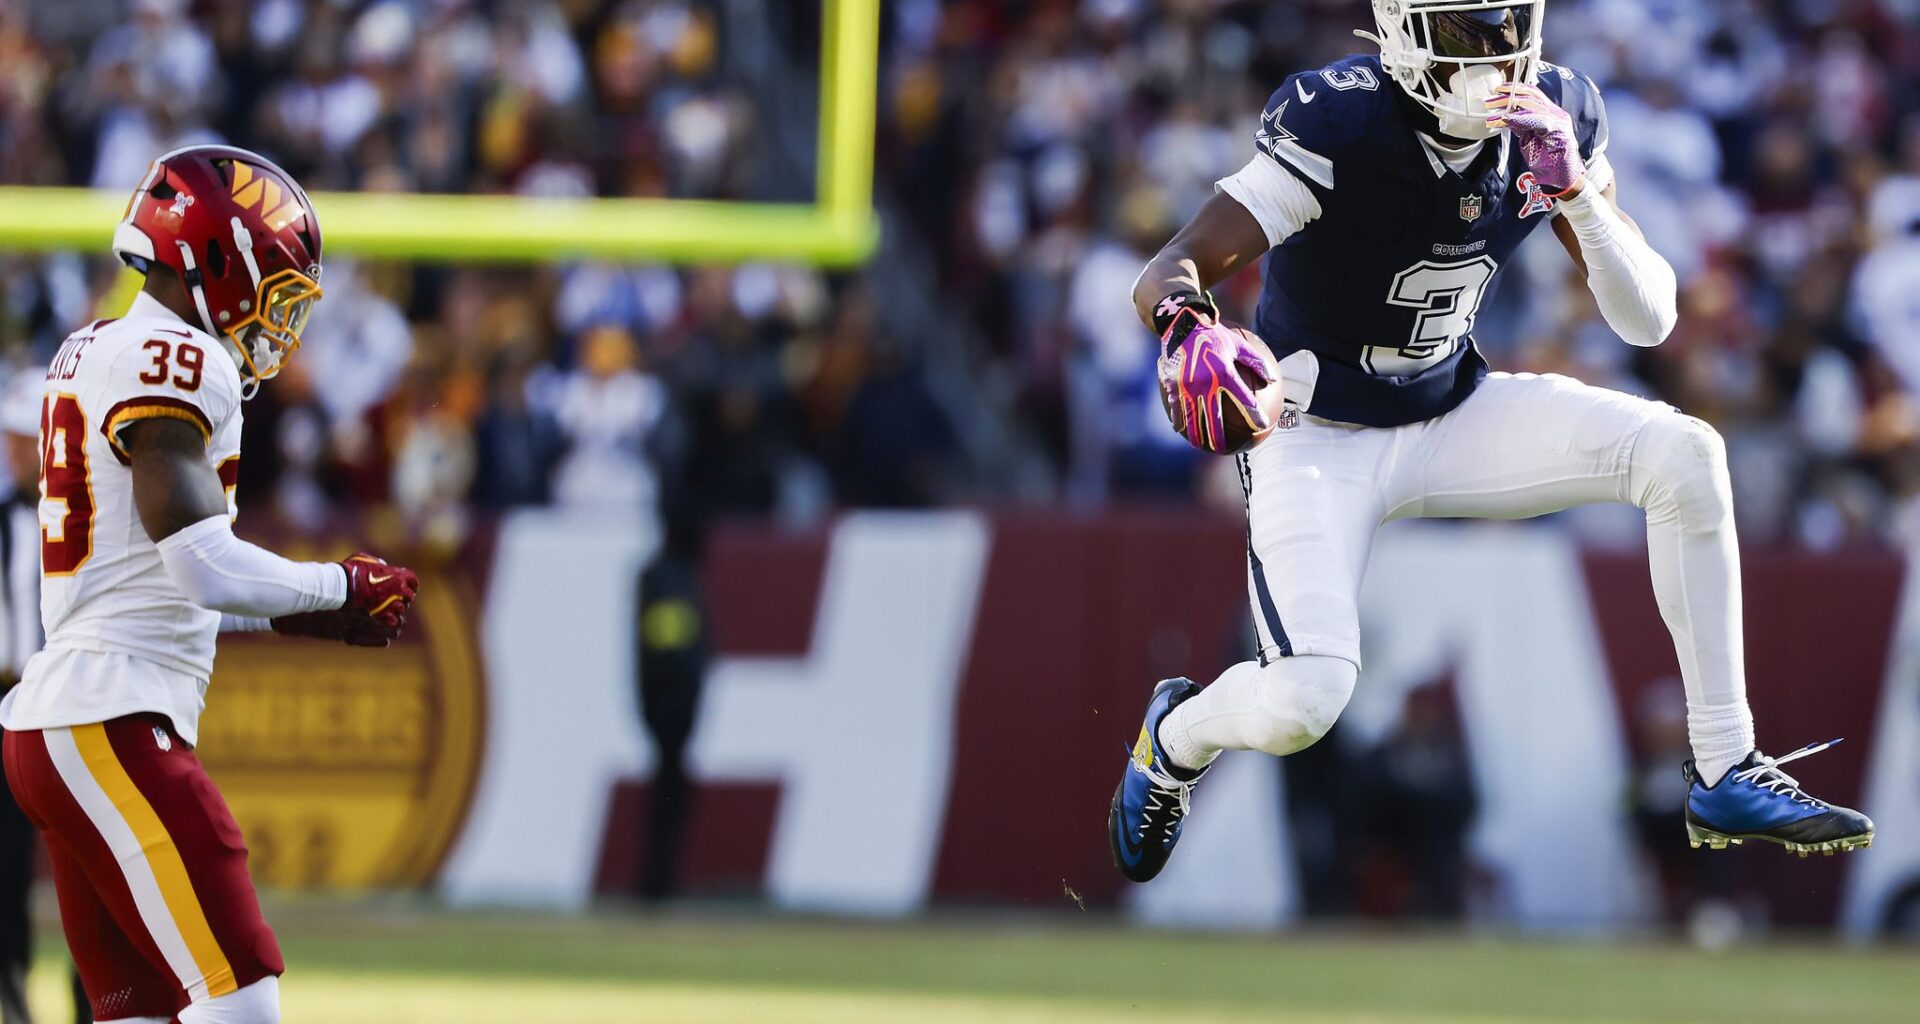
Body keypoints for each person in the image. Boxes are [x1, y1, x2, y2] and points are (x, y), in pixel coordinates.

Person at [1109, 0, 1872, 884]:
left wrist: (1579, 194)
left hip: (1448, 411)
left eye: (1512, 25)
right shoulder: (1344, 119)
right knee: (1303, 701)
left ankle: (1725, 763)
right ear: (1402, 35)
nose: (1502, 53)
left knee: (1685, 454)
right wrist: (1185, 325)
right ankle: (1174, 737)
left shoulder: (1556, 113)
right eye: (1471, 30)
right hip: (1316, 432)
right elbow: (1172, 267)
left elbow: (1650, 320)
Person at [0, 146, 421, 1024]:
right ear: (216, 257)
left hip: (66, 720)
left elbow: (157, 588)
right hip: (111, 716)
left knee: (139, 1014)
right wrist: (337, 587)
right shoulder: (176, 358)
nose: (280, 319)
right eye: (275, 284)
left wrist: (311, 619)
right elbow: (198, 561)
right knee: (242, 1000)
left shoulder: (96, 349)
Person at [0, 377, 91, 1024]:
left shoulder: (96, 513)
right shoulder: (9, 522)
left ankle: (97, 997)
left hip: (79, 698)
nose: (12, 448)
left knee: (95, 860)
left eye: (21, 436)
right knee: (6, 864)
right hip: (11, 697)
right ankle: (11, 983)